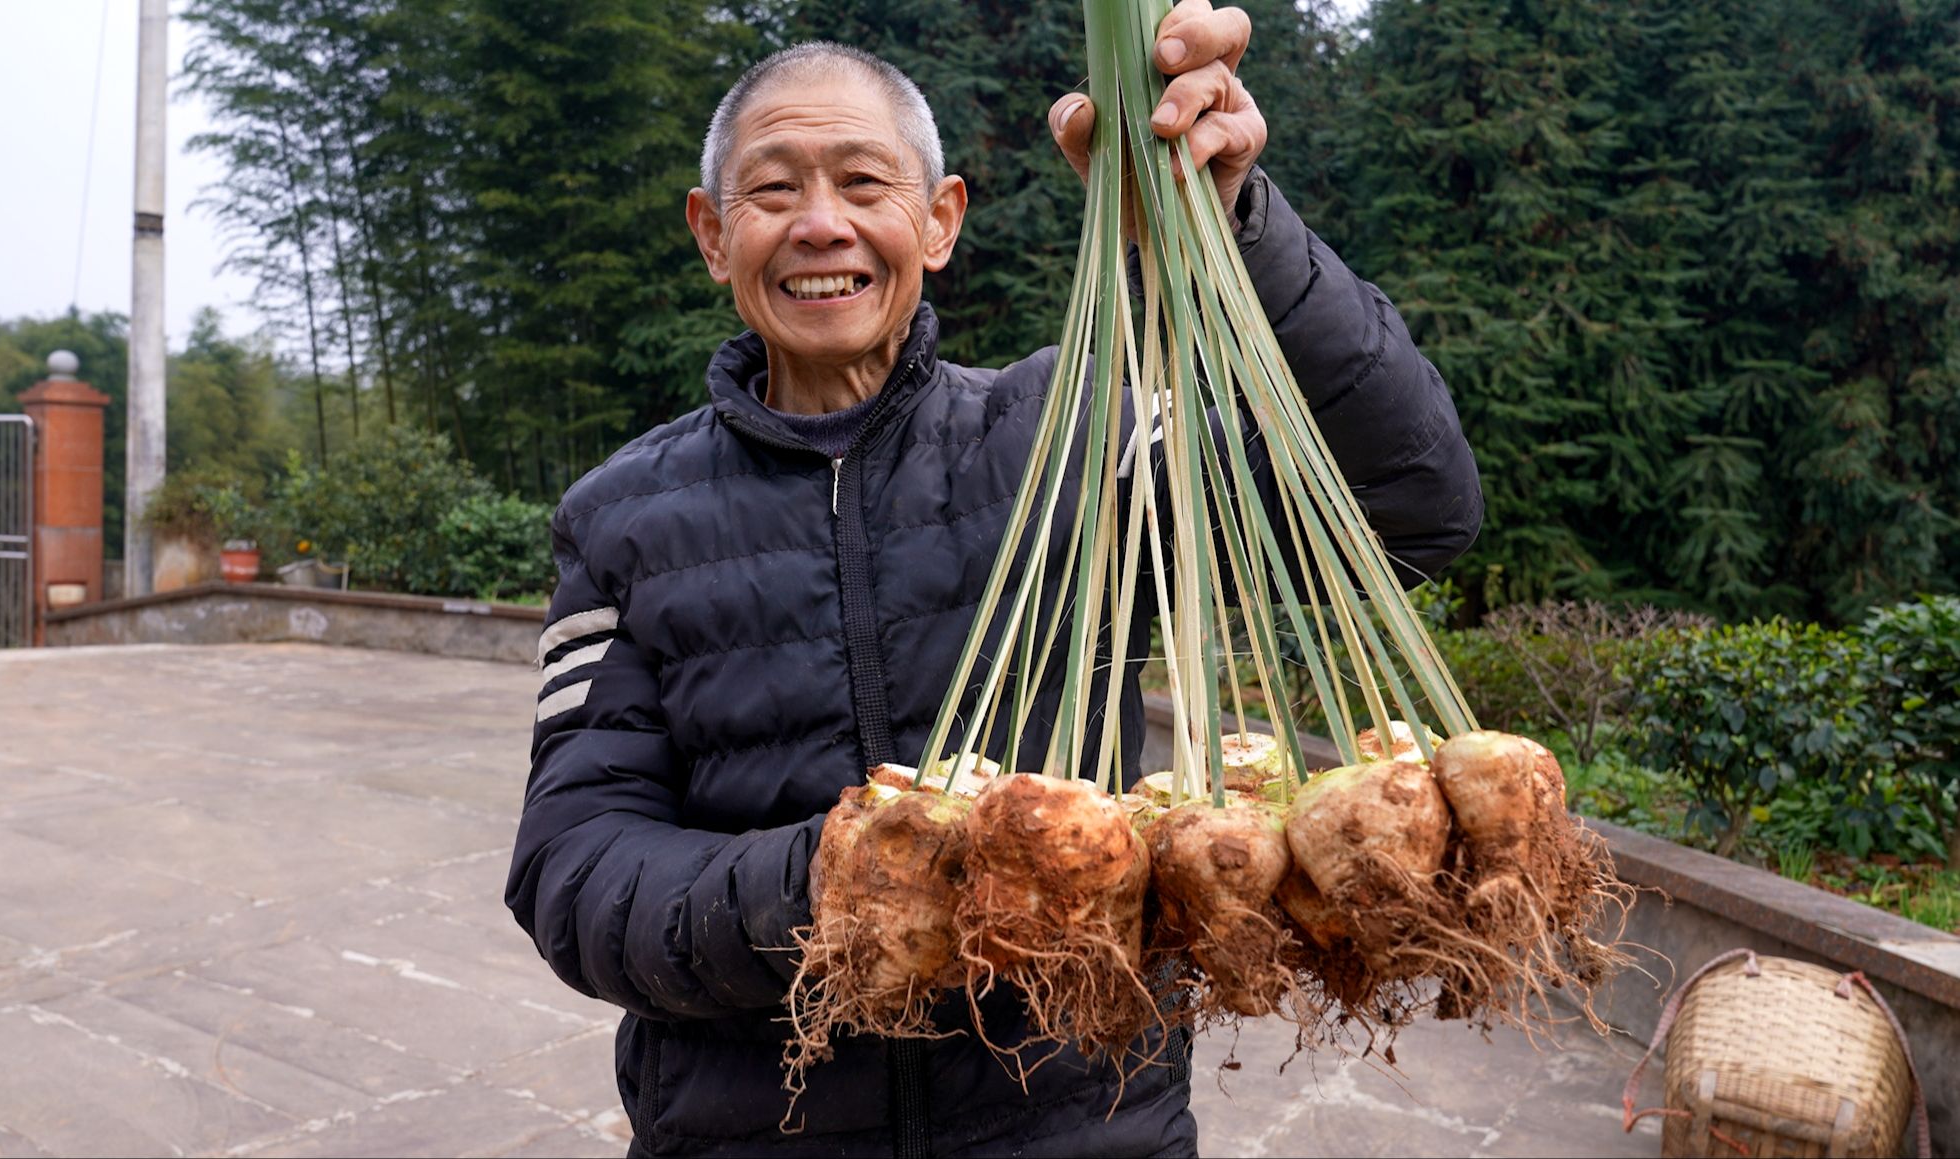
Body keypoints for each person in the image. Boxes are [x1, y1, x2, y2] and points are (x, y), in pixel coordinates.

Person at [507, 3, 1482, 1155]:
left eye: (864, 184)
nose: (821, 225)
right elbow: (577, 869)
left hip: (1077, 1125)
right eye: (773, 192)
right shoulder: (622, 516)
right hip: (752, 1128)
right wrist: (840, 881)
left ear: (939, 221)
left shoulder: (1070, 444)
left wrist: (1229, 226)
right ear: (713, 236)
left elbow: (1410, 500)